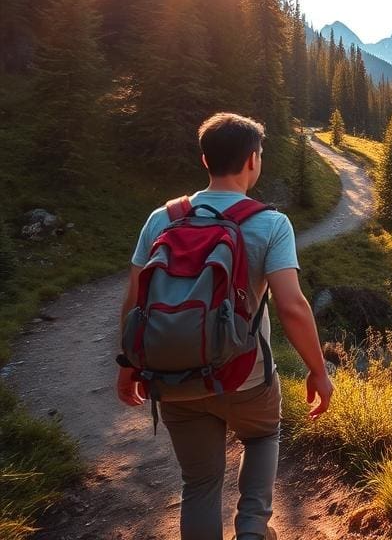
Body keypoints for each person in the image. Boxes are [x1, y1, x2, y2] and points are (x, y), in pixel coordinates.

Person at [117, 112, 334, 540]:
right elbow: (292, 306)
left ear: (205, 160)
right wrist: (318, 370)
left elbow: (134, 300)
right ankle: (253, 529)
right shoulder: (270, 223)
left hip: (174, 376)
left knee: (199, 483)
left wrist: (128, 364)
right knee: (263, 436)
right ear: (253, 160)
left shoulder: (162, 219)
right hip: (246, 375)